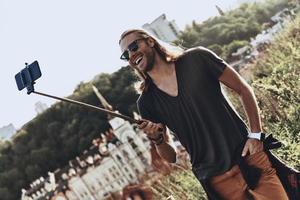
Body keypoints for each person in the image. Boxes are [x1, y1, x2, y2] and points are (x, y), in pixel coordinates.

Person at [119, 28, 288, 199]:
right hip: (216, 180)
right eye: (125, 55)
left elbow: (243, 89)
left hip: (249, 158)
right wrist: (157, 139)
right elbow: (170, 156)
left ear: (150, 41)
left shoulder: (197, 58)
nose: (131, 55)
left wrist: (255, 135)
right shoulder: (147, 102)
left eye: (133, 47)